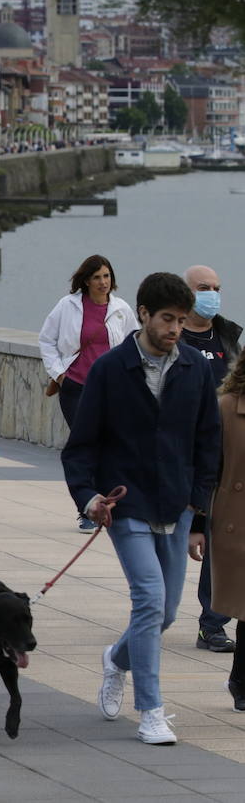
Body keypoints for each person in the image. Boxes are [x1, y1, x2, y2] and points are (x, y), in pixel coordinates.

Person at [64, 272, 221, 745]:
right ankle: (151, 711)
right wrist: (88, 497)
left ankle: (116, 658)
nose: (175, 328)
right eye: (167, 319)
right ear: (144, 314)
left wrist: (200, 510)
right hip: (126, 504)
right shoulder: (110, 370)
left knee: (166, 613)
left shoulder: (195, 368)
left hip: (180, 506)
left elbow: (208, 442)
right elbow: (80, 446)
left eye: (181, 319)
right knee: (149, 600)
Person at [182, 265, 242, 652]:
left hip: (218, 449)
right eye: (205, 288)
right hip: (177, 451)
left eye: (217, 288)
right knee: (174, 540)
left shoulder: (229, 336)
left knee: (219, 535)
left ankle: (212, 622)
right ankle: (153, 607)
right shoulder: (173, 336)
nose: (213, 294)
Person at [40, 255, 138, 430]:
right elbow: (47, 340)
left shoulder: (121, 309)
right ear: (86, 280)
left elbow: (135, 345)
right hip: (76, 386)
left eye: (106, 276)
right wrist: (60, 375)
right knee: (83, 439)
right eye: (97, 277)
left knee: (109, 441)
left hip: (111, 388)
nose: (103, 282)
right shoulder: (67, 305)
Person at [211, 351, 245, 712]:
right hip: (237, 521)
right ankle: (240, 680)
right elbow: (208, 467)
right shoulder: (226, 408)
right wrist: (196, 523)